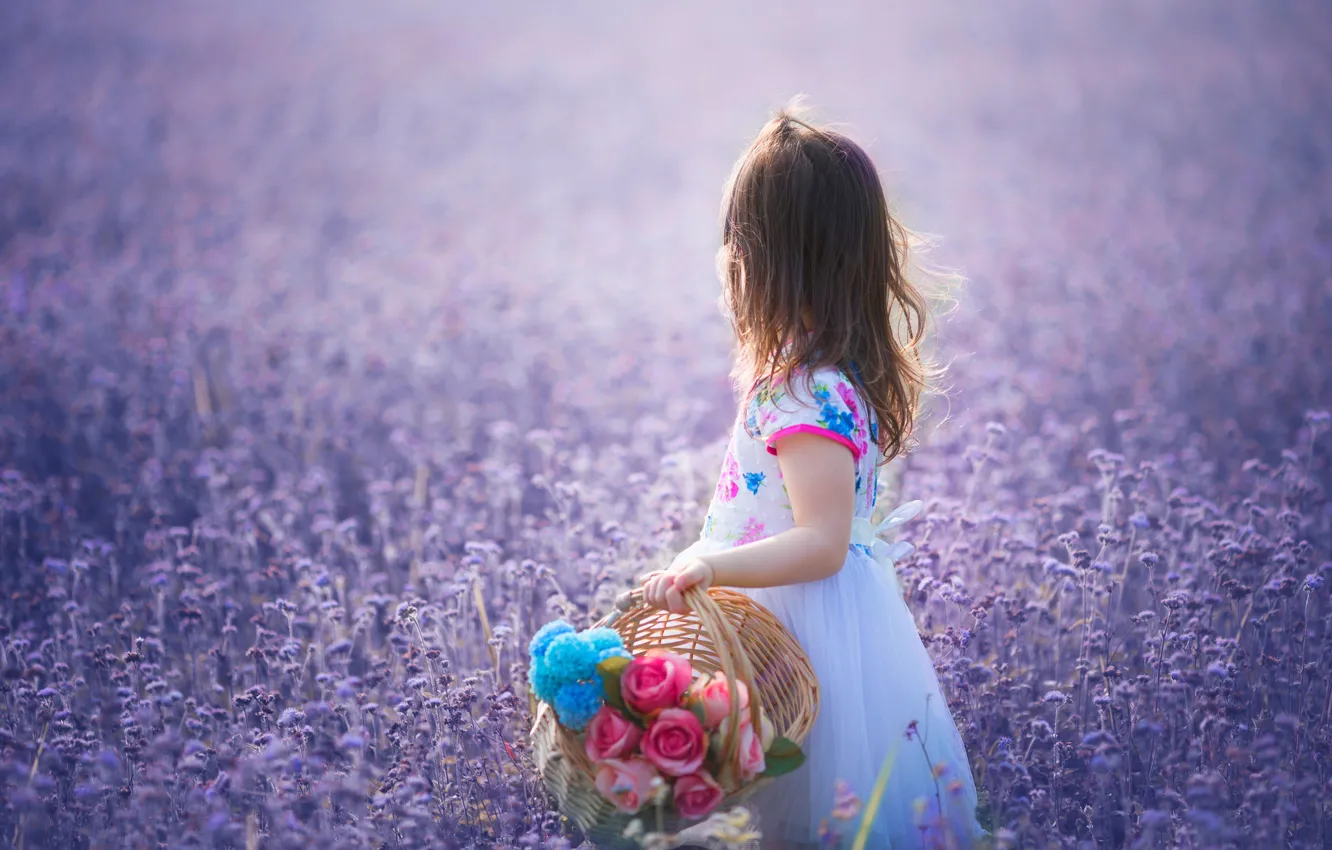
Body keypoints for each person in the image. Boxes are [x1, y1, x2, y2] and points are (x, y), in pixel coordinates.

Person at [640, 105, 985, 848]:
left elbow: (823, 542)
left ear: (768, 260)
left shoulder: (804, 391)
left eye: (736, 242)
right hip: (807, 624)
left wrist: (706, 563)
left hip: (807, 636)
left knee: (812, 813)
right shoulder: (819, 378)